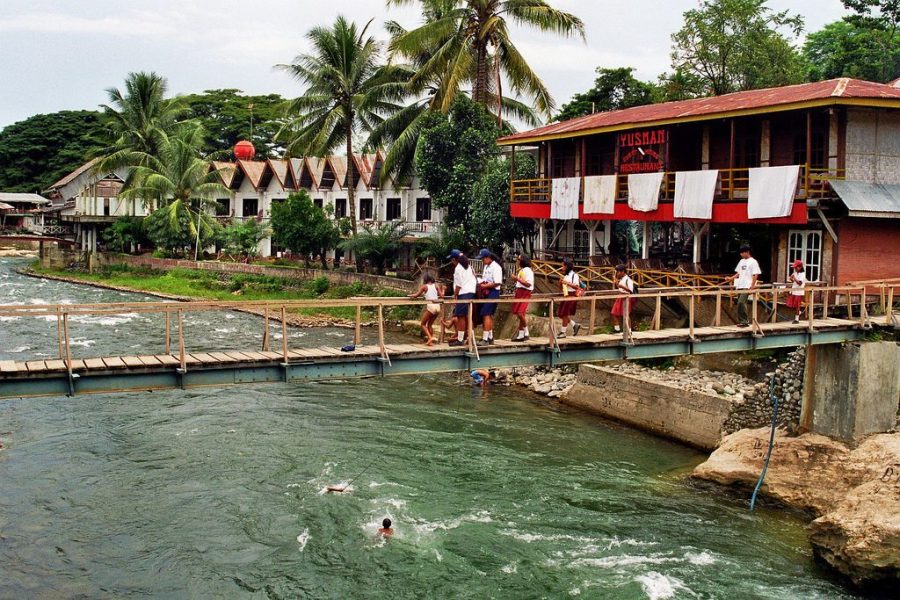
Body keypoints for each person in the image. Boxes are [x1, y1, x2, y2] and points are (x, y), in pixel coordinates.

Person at [724, 244, 762, 327]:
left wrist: (752, 285)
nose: (741, 254)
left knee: (742, 302)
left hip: (747, 285)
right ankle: (742, 321)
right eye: (740, 253)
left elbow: (755, 274)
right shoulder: (741, 261)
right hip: (740, 284)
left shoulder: (753, 261)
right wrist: (731, 278)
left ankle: (745, 321)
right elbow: (738, 273)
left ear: (747, 252)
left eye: (742, 253)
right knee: (739, 303)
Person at [448, 250, 477, 347]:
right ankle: (470, 338)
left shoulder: (458, 268)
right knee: (468, 316)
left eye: (452, 260)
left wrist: (454, 296)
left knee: (460, 316)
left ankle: (460, 339)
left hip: (463, 293)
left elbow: (458, 285)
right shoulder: (469, 267)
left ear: (454, 259)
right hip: (471, 292)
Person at [477, 248, 503, 346]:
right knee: (487, 314)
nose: (482, 261)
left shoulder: (496, 267)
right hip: (487, 291)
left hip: (493, 292)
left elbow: (497, 282)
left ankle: (485, 339)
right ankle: (490, 337)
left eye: (483, 259)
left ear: (488, 258)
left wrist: (485, 285)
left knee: (486, 314)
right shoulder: (487, 267)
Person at [409, 274, 444, 345]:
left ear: (426, 280)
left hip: (431, 306)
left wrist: (410, 295)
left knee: (423, 324)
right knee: (430, 325)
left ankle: (430, 338)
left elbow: (416, 295)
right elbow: (442, 296)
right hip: (437, 306)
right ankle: (430, 341)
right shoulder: (436, 286)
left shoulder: (424, 286)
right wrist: (443, 289)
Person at [510, 253, 534, 342]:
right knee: (520, 314)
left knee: (520, 313)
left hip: (525, 292)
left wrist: (517, 279)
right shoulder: (522, 270)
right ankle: (520, 335)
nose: (517, 261)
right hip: (519, 291)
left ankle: (526, 333)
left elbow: (528, 284)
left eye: (519, 259)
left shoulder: (528, 270)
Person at [557, 257, 582, 338]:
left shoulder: (574, 275)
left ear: (567, 266)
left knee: (564, 313)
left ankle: (563, 332)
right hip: (565, 294)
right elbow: (561, 288)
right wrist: (560, 283)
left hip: (571, 295)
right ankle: (574, 324)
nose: (562, 268)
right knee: (561, 313)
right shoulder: (565, 275)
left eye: (563, 266)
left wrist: (567, 283)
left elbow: (576, 286)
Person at [611, 264, 636, 333]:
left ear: (622, 272)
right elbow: (620, 287)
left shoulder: (628, 279)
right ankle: (617, 329)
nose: (617, 273)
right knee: (614, 313)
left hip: (626, 298)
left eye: (618, 272)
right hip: (620, 296)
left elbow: (630, 290)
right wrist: (617, 284)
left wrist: (622, 286)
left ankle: (629, 331)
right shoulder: (622, 279)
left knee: (626, 314)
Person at [787, 259, 806, 324]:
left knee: (797, 305)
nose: (795, 269)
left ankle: (796, 319)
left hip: (799, 292)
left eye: (796, 267)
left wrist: (794, 278)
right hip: (794, 291)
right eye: (794, 267)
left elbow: (800, 283)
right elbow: (793, 280)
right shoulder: (795, 273)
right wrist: (791, 278)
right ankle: (799, 312)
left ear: (800, 267)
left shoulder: (802, 274)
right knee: (792, 305)